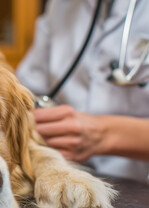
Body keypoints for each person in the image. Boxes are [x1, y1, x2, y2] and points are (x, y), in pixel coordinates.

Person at [17, 0, 149, 183]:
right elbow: (28, 86)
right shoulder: (61, 5)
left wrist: (103, 135)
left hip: (138, 183)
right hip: (63, 171)